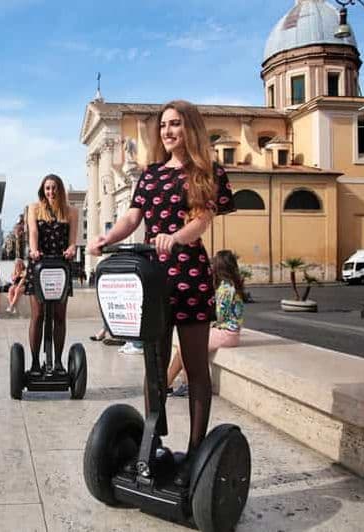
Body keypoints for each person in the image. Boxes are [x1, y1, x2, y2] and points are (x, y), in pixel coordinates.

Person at [87, 100, 235, 487]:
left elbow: (202, 219)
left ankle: (196, 451)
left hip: (189, 275)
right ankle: (153, 445)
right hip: (153, 277)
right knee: (154, 366)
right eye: (165, 125)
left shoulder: (207, 171)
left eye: (176, 124)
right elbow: (133, 216)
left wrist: (176, 237)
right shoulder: (151, 174)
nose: (168, 131)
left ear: (191, 129)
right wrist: (108, 238)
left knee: (195, 365)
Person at [168, 249, 245, 397]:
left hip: (227, 334)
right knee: (184, 346)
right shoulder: (231, 285)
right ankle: (168, 384)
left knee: (187, 346)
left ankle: (186, 384)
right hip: (227, 332)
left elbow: (218, 316)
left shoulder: (225, 290)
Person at [24, 173, 78, 374]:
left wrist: (72, 249)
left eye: (54, 188)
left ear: (60, 190)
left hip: (60, 266)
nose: (51, 192)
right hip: (39, 265)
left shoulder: (71, 211)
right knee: (37, 316)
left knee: (59, 316)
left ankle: (58, 363)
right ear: (42, 190)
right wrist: (34, 250)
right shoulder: (34, 209)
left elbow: (72, 239)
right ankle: (36, 363)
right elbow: (33, 233)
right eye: (47, 188)